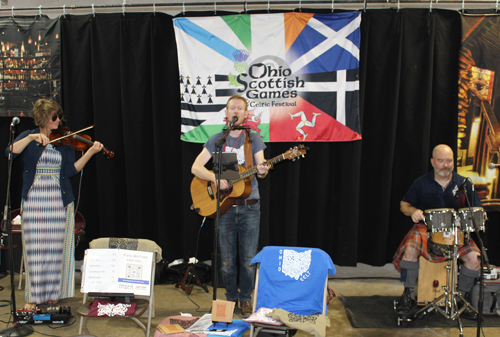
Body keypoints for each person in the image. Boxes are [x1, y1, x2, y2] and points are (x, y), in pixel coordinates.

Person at [5, 99, 103, 310]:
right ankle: (33, 296)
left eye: (59, 116)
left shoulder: (64, 142)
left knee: (56, 249)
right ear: (43, 118)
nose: (59, 120)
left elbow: (70, 171)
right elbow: (10, 152)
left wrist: (90, 153)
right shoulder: (29, 136)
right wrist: (31, 137)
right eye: (54, 117)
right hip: (34, 199)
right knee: (35, 249)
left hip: (59, 200)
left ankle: (53, 293)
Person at [191, 94, 269, 317]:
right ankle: (230, 300)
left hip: (250, 207)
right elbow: (196, 168)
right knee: (226, 263)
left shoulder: (252, 139)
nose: (235, 111)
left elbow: (261, 168)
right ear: (226, 113)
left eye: (240, 108)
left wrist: (262, 170)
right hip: (224, 207)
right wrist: (214, 178)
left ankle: (245, 299)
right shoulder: (217, 140)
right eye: (232, 108)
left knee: (247, 261)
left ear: (245, 114)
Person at [393, 144, 482, 319]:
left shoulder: (465, 184)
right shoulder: (420, 183)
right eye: (441, 161)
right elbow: (404, 205)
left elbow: (477, 209)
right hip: (425, 228)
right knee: (409, 251)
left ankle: (461, 297)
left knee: (475, 258)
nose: (445, 165)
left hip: (456, 231)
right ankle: (408, 295)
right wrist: (413, 211)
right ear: (433, 162)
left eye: (449, 161)